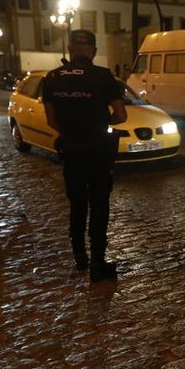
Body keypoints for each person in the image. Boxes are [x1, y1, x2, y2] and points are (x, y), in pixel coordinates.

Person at [41, 29, 128, 283]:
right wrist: (101, 125)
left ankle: (80, 255)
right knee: (99, 204)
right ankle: (98, 264)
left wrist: (71, 131)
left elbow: (50, 119)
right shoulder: (102, 76)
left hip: (71, 149)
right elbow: (122, 116)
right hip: (99, 150)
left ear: (69, 49)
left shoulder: (52, 78)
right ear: (94, 51)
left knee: (77, 204)